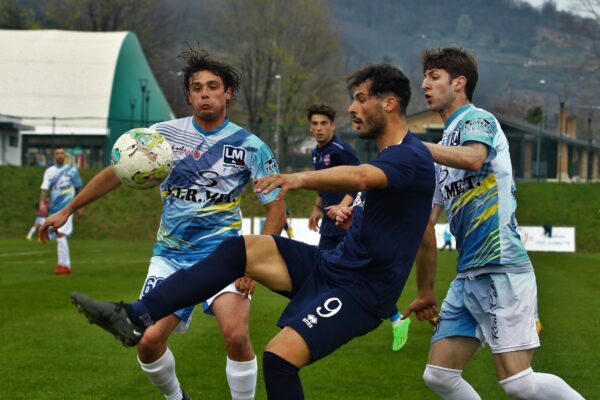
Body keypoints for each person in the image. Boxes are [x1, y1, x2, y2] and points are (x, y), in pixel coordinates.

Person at [70, 63, 435, 399]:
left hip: (362, 290)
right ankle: (136, 315)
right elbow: (425, 232)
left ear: (388, 104)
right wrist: (425, 290)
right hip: (334, 265)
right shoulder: (396, 157)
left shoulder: (408, 156)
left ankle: (139, 317)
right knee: (240, 250)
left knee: (278, 359)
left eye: (359, 99)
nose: (352, 109)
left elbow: (360, 177)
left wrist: (295, 179)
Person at [42, 49, 286, 400]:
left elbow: (276, 208)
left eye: (213, 86)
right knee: (148, 342)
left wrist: (254, 262)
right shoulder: (160, 136)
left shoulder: (251, 146)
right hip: (170, 255)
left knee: (235, 335)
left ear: (227, 92)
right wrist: (67, 209)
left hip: (225, 256)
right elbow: (115, 173)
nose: (205, 93)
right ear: (188, 95)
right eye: (196, 87)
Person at [404, 47, 583, 400]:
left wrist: (415, 146)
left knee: (519, 383)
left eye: (434, 76)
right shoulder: (441, 151)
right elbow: (425, 224)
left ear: (459, 83)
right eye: (424, 77)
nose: (424, 84)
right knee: (439, 376)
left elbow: (474, 158)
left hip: (502, 266)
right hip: (468, 275)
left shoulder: (478, 120)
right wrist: (425, 289)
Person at [306, 103, 411, 352]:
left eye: (324, 123)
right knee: (325, 269)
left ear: (332, 125)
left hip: (346, 222)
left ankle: (394, 318)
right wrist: (317, 209)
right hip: (330, 224)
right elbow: (324, 186)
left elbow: (361, 181)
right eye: (315, 124)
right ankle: (319, 319)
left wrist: (344, 206)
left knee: (354, 272)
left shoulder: (342, 150)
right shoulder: (316, 153)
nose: (319, 128)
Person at [39, 147, 83, 274]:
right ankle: (64, 264)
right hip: (54, 208)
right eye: (57, 153)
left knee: (60, 234)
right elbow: (45, 188)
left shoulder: (72, 170)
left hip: (68, 207)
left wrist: (80, 207)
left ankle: (64, 265)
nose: (59, 155)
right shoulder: (49, 172)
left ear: (65, 156)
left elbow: (79, 188)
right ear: (54, 156)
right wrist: (42, 203)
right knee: (58, 235)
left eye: (62, 153)